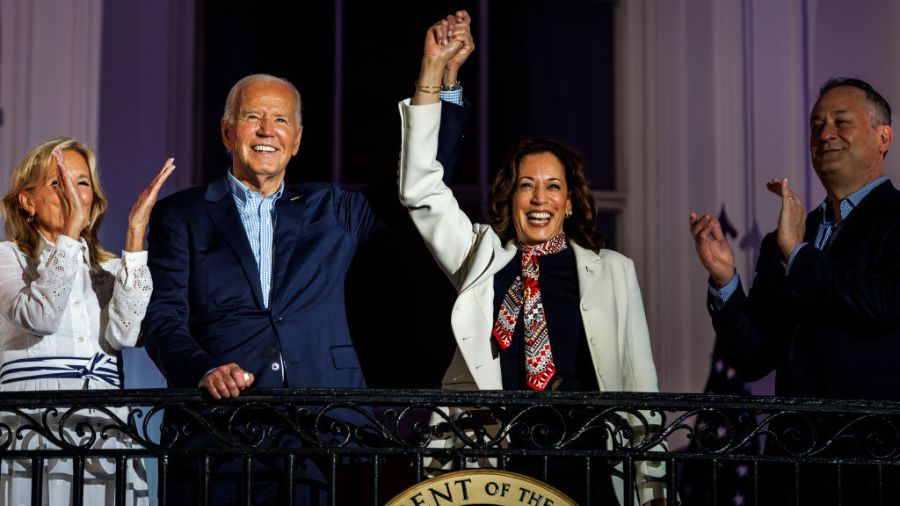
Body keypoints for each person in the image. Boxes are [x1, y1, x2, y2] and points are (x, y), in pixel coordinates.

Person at [141, 12, 474, 505]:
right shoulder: (182, 214)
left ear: (296, 141)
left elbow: (420, 178)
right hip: (217, 434)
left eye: (281, 120)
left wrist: (437, 80)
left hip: (320, 434)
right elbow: (163, 320)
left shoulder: (331, 210)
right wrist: (203, 370)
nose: (267, 129)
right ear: (227, 131)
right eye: (253, 116)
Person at [397, 20, 667, 506]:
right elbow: (420, 189)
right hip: (496, 466)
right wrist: (431, 73)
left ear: (569, 202)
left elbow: (641, 388)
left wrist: (653, 488)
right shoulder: (481, 256)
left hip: (588, 465)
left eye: (553, 186)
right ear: (511, 196)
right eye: (527, 185)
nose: (539, 198)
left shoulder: (613, 271)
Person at [690, 77, 900, 503]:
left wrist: (799, 254)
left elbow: (884, 304)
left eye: (841, 122)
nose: (825, 134)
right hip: (794, 466)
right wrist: (725, 280)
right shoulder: (784, 240)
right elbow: (754, 357)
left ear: (883, 137)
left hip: (876, 463)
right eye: (816, 125)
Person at [0, 137, 174, 505]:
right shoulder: (7, 258)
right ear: (27, 201)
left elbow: (126, 334)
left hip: (104, 426)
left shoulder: (108, 269)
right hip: (32, 425)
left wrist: (135, 236)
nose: (72, 193)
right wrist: (69, 236)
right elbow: (40, 317)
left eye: (81, 182)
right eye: (57, 182)